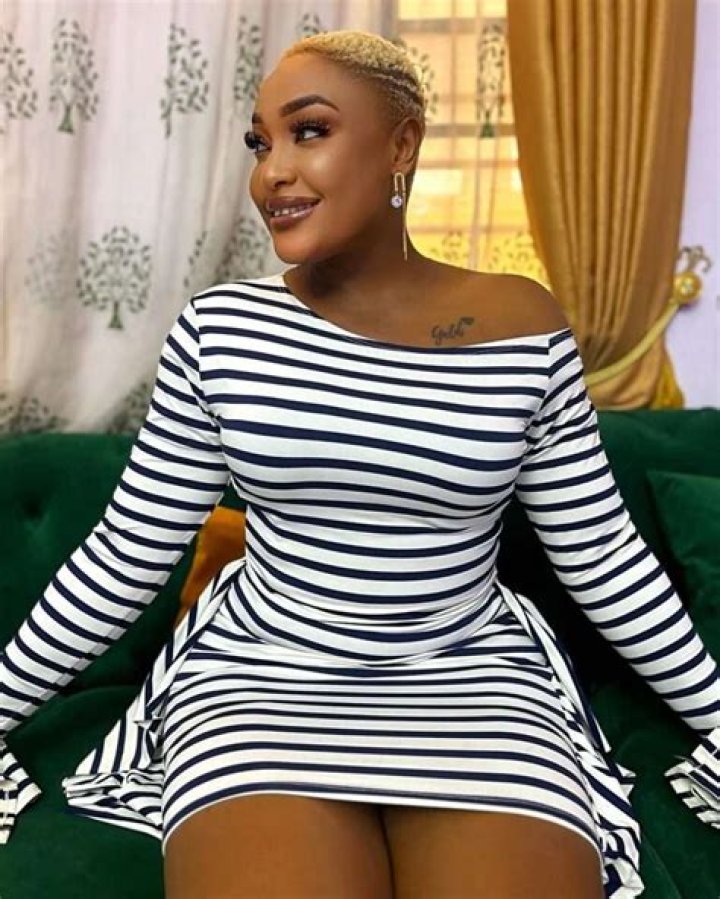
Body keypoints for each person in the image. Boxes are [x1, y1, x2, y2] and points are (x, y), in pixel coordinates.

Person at [1, 28, 718, 899]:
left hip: (471, 681)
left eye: (309, 131)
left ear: (402, 143)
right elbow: (126, 554)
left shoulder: (522, 326)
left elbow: (600, 555)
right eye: (260, 143)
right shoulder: (222, 331)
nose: (272, 172)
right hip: (263, 678)